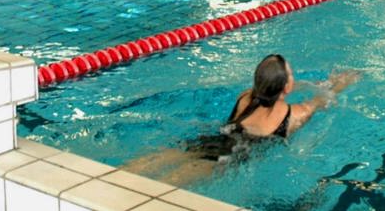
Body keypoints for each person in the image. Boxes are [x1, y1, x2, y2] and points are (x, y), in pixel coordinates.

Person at [126, 54, 361, 186]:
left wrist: (300, 84)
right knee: (167, 187)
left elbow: (267, 87)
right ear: (286, 87)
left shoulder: (245, 97)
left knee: (148, 163)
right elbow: (323, 99)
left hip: (211, 140)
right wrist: (342, 82)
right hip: (230, 157)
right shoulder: (296, 115)